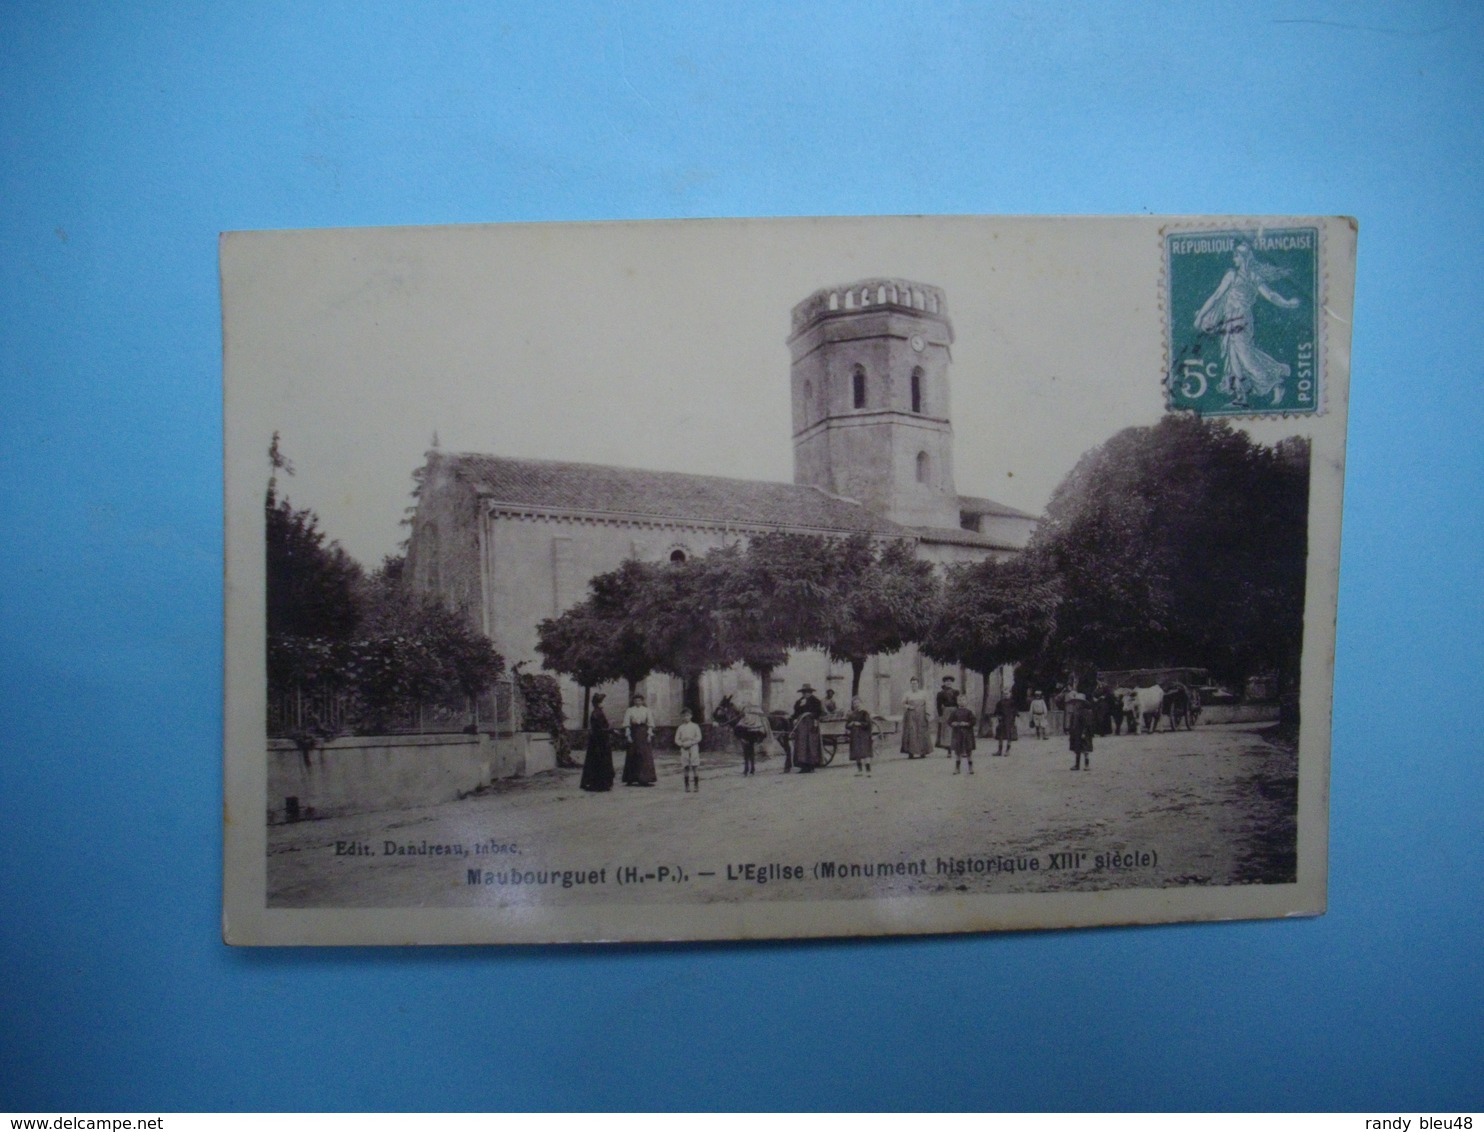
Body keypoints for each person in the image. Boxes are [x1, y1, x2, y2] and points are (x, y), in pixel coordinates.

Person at [1193, 241, 1303, 408]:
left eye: (1236, 255)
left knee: (1245, 356)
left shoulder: (1253, 277)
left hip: (1242, 321)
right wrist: (1200, 316)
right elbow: (1216, 296)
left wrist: (1287, 303)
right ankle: (1241, 396)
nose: (1233, 258)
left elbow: (1271, 295)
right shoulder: (1231, 275)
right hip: (1229, 320)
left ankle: (1275, 383)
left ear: (1243, 258)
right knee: (1234, 357)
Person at [579, 693, 616, 792]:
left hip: (599, 740)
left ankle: (600, 783)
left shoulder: (598, 712)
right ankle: (599, 784)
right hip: (599, 741)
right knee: (599, 760)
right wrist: (610, 730)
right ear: (599, 703)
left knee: (598, 760)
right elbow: (600, 729)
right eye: (603, 701)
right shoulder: (597, 713)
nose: (604, 703)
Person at [621, 693, 658, 786]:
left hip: (643, 734)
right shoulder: (629, 710)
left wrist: (649, 735)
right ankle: (631, 778)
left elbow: (650, 723)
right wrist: (628, 735)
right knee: (632, 754)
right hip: (633, 733)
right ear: (633, 701)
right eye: (636, 700)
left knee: (644, 756)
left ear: (642, 701)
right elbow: (626, 723)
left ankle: (645, 779)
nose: (638, 702)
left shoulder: (647, 710)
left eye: (639, 700)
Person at [791, 683, 825, 773]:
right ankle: (803, 765)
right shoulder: (799, 702)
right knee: (801, 744)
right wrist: (793, 718)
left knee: (811, 743)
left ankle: (811, 765)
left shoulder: (816, 701)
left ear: (811, 692)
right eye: (803, 692)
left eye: (807, 692)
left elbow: (818, 712)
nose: (805, 694)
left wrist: (814, 719)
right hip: (801, 725)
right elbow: (796, 713)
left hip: (811, 724)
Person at [899, 676, 933, 758]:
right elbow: (902, 703)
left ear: (918, 684)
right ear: (910, 684)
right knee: (911, 732)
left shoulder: (923, 693)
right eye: (912, 683)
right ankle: (911, 752)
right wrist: (909, 707)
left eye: (915, 683)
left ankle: (923, 752)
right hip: (911, 715)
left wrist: (927, 714)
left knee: (922, 731)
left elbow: (928, 703)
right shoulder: (907, 694)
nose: (914, 685)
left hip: (921, 715)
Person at [734, 699, 769, 776]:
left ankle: (750, 768)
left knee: (748, 749)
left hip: (752, 730)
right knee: (748, 749)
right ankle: (750, 768)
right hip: (747, 728)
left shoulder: (752, 718)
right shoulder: (742, 721)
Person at [674, 708, 703, 793]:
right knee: (686, 766)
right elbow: (676, 739)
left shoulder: (695, 726)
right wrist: (681, 744)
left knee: (695, 766)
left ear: (691, 716)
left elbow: (699, 737)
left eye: (688, 715)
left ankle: (696, 786)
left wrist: (691, 743)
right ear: (682, 717)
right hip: (684, 748)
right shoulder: (680, 727)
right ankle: (687, 786)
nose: (686, 717)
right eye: (684, 716)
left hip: (693, 746)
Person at [845, 697, 874, 776]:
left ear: (861, 703)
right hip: (855, 735)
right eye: (854, 703)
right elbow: (847, 725)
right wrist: (850, 725)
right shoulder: (852, 714)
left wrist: (859, 723)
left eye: (858, 703)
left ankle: (868, 771)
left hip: (863, 734)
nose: (856, 705)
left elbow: (868, 723)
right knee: (857, 752)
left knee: (865, 752)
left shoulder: (865, 713)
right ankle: (859, 770)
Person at [1067, 691, 1094, 771]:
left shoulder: (1086, 712)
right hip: (1076, 733)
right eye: (1076, 702)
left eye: (1078, 702)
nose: (1077, 704)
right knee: (1077, 749)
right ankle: (1077, 765)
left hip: (1083, 733)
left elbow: (1087, 724)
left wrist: (1084, 733)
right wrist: (1070, 731)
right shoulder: (1074, 712)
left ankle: (1086, 765)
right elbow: (1072, 723)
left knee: (1085, 749)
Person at [948, 701, 977, 774]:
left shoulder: (969, 712)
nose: (962, 702)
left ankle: (970, 768)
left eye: (964, 700)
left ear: (966, 702)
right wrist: (953, 723)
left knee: (968, 750)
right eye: (960, 700)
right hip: (957, 733)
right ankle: (957, 768)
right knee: (958, 751)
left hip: (967, 733)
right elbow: (949, 721)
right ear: (957, 702)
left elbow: (973, 721)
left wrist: (967, 723)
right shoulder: (954, 712)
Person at [935, 677, 960, 753]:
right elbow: (939, 705)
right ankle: (949, 749)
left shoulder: (956, 692)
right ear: (944, 683)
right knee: (948, 730)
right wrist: (940, 715)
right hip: (946, 712)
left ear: (952, 683)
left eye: (950, 681)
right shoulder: (940, 693)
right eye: (946, 681)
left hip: (955, 711)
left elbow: (959, 702)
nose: (948, 683)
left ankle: (958, 748)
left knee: (956, 728)